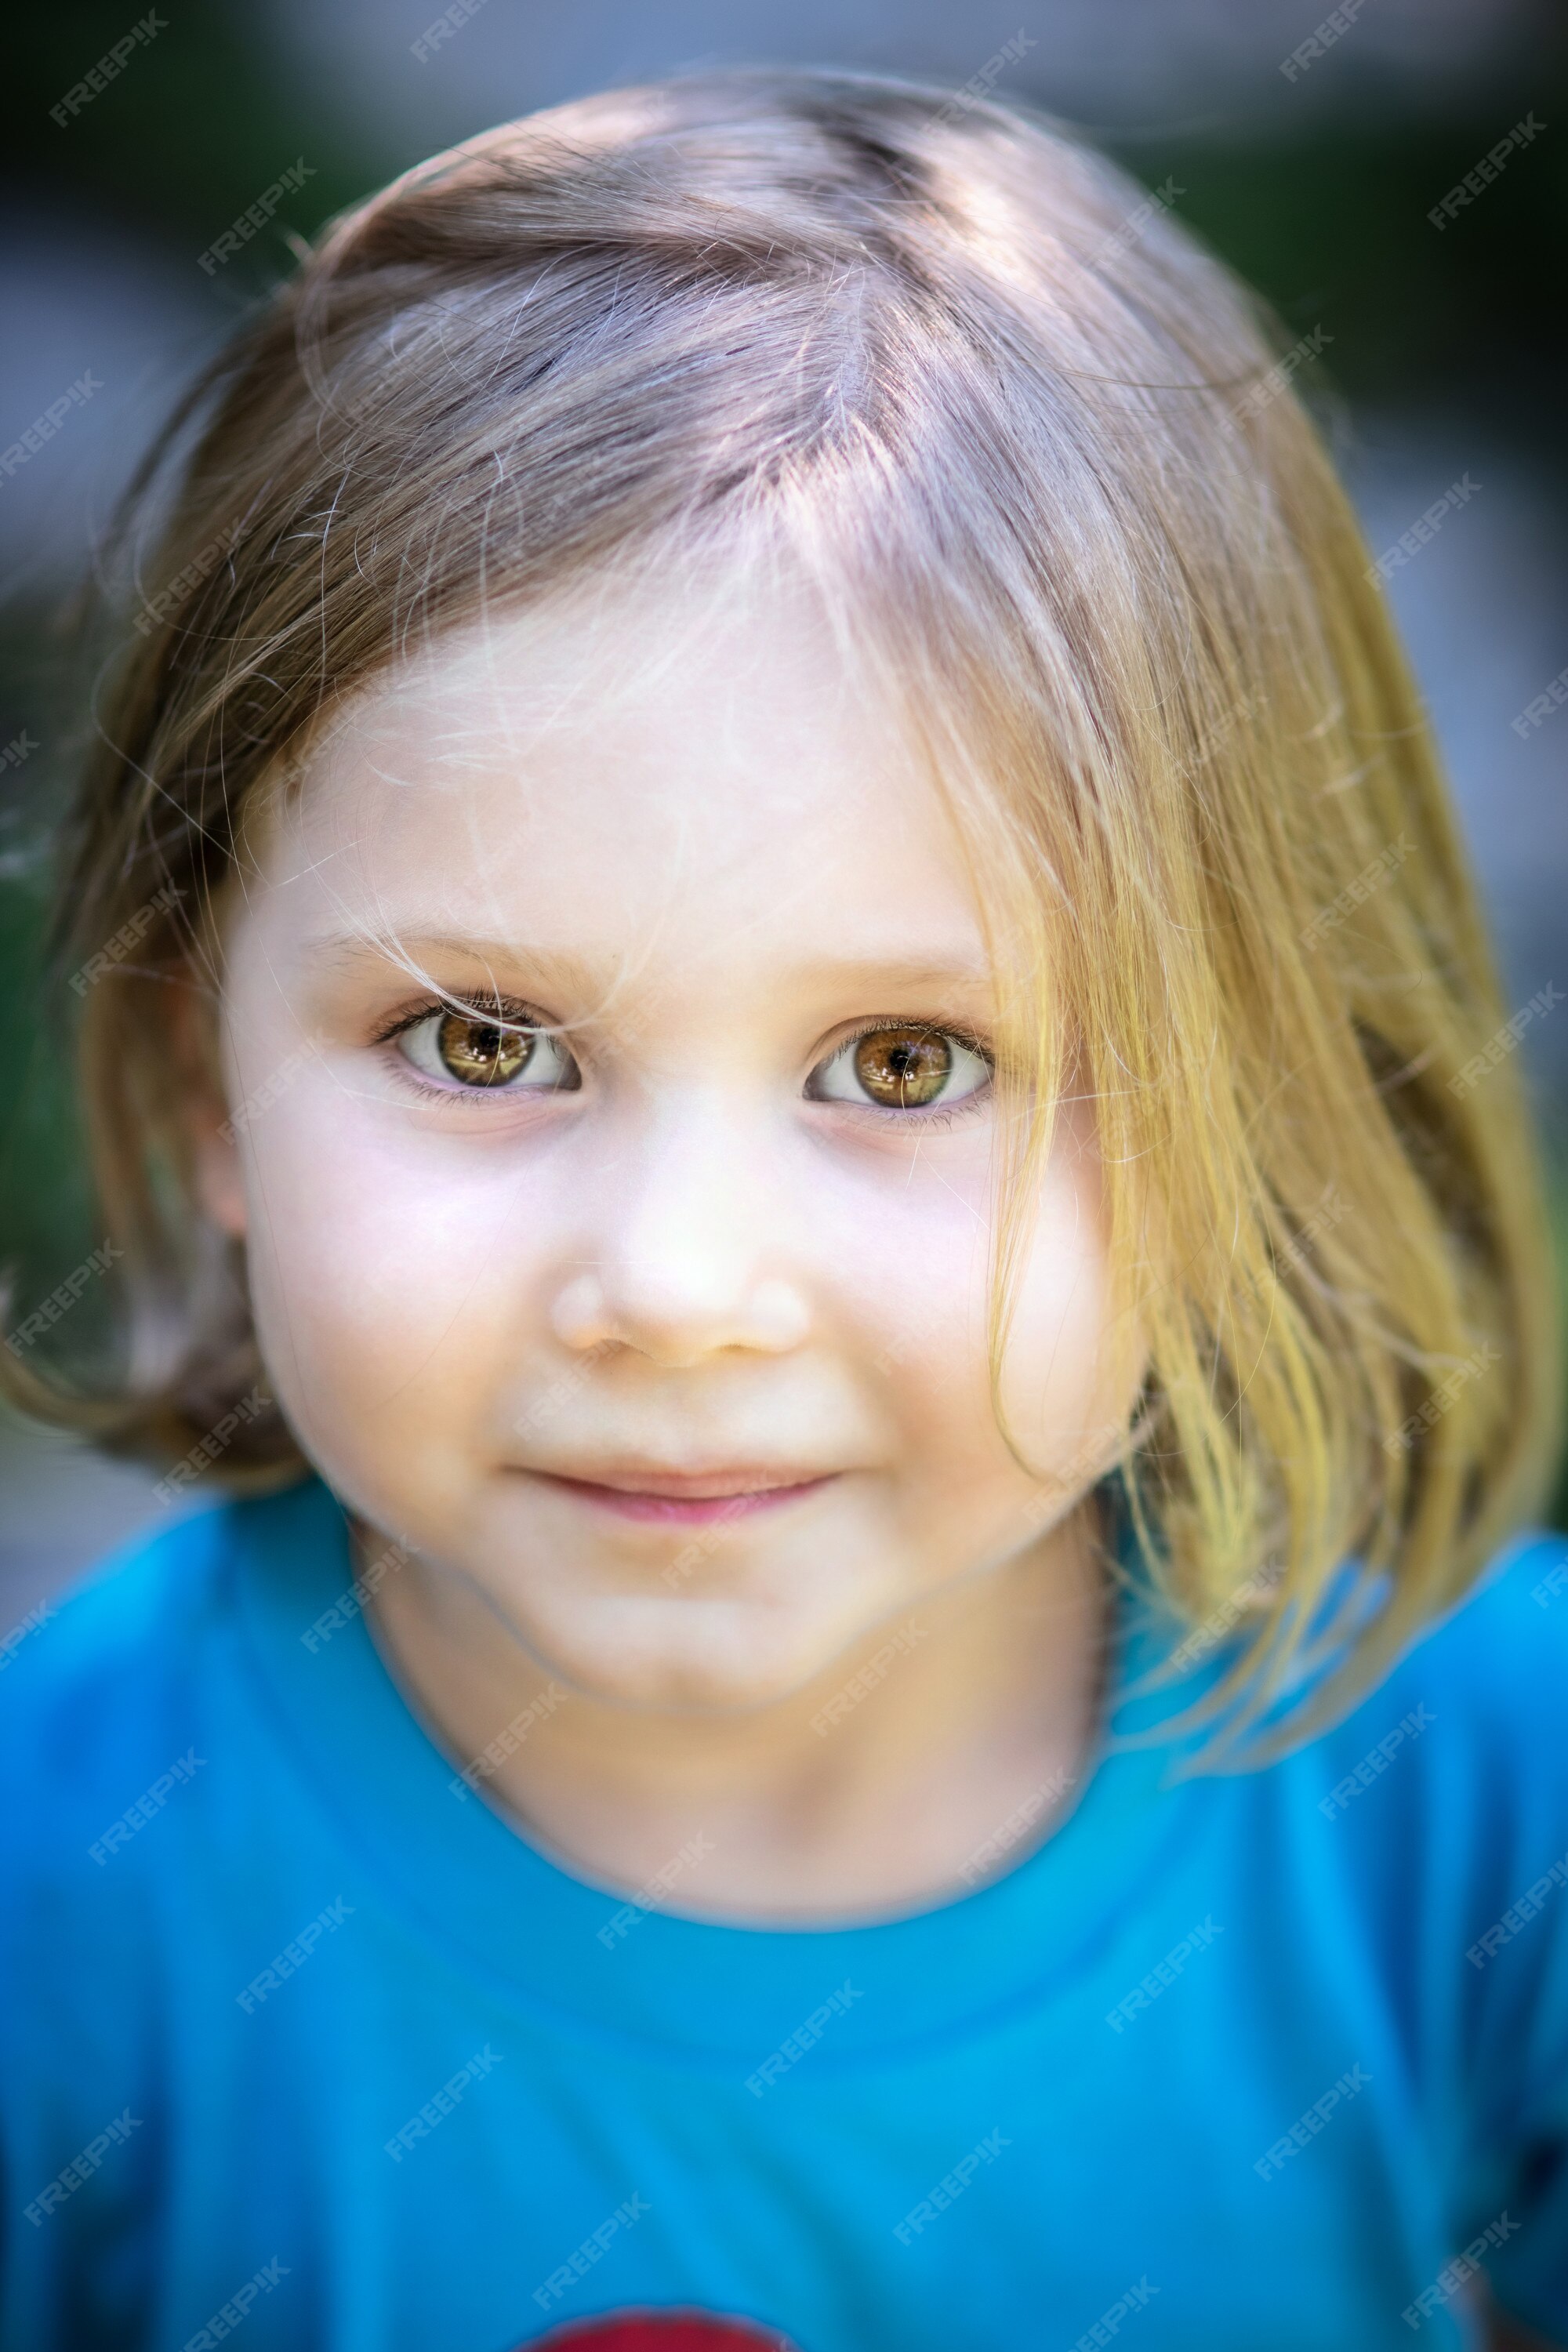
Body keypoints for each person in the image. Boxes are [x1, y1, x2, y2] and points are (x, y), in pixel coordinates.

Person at [2, 69, 1564, 2352]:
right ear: (189, 1075)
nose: (680, 1289)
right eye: (486, 1044)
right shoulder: (72, 1885)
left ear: (1252, 1090)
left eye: (908, 1067)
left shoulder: (1479, 1790)